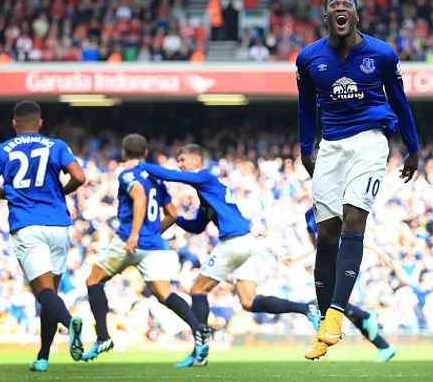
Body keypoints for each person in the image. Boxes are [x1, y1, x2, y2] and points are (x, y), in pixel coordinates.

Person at [295, 0, 420, 360]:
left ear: (356, 14)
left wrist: (412, 146)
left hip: (370, 140)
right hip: (331, 145)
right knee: (326, 230)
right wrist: (305, 148)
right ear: (326, 17)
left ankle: (335, 316)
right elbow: (304, 108)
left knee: (353, 219)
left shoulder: (382, 53)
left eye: (346, 4)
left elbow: (400, 100)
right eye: (333, 5)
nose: (340, 8)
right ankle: (324, 324)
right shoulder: (308, 58)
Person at [126, 144, 321, 367]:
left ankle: (200, 350)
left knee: (198, 290)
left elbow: (173, 176)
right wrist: (176, 218)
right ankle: (305, 308)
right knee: (248, 301)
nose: (180, 164)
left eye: (182, 160)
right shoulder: (209, 192)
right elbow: (199, 226)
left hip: (233, 241)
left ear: (196, 160)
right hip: (246, 242)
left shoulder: (205, 176)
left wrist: (139, 164)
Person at [0, 100, 87, 371]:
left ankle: (69, 322)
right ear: (40, 123)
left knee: (44, 293)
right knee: (51, 293)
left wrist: (13, 193)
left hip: (27, 225)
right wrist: (60, 191)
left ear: (14, 123)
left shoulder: (2, 149)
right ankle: (43, 357)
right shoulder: (58, 146)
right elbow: (79, 177)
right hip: (58, 226)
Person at [80, 134, 206, 363]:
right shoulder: (156, 179)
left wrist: (136, 233)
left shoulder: (127, 174)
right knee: (164, 294)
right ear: (145, 154)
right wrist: (153, 232)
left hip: (128, 240)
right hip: (154, 245)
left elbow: (139, 196)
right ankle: (198, 329)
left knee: (93, 281)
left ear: (125, 154)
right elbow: (173, 214)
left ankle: (103, 338)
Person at [283, 208, 397, 362]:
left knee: (333, 304)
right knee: (338, 308)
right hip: (327, 263)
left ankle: (367, 318)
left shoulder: (332, 208)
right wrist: (296, 258)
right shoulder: (309, 215)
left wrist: (379, 252)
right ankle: (382, 345)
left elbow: (354, 234)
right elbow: (316, 246)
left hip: (341, 262)